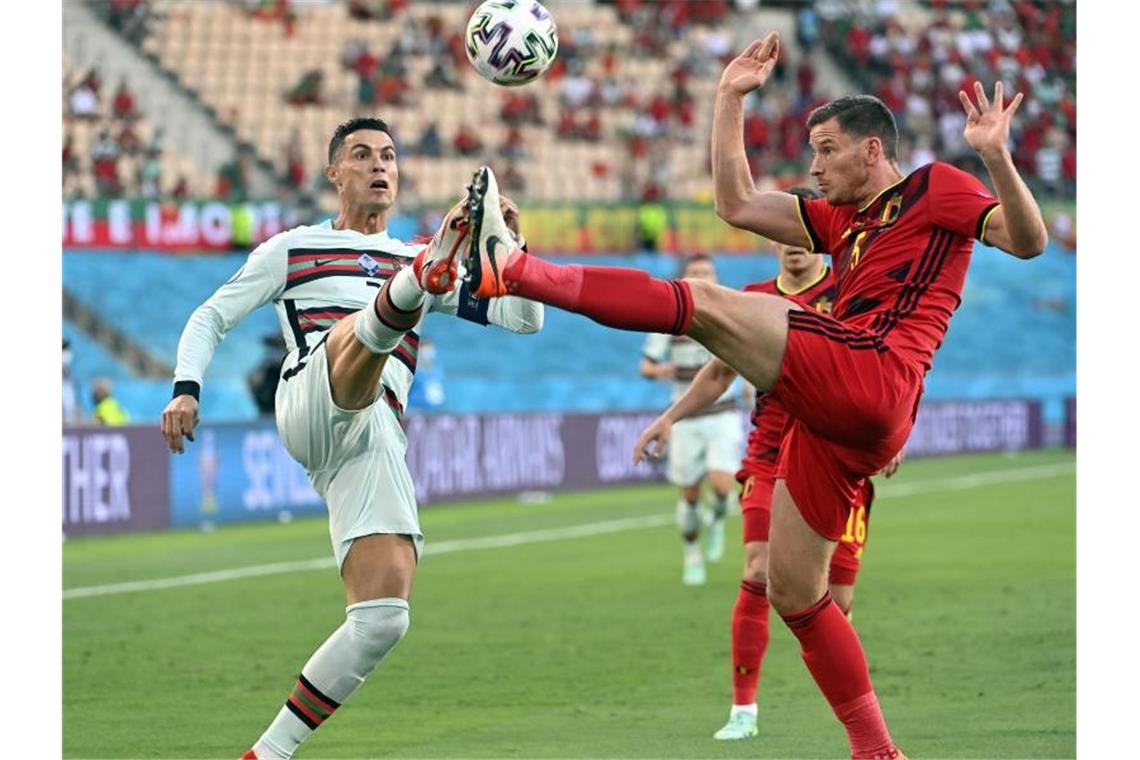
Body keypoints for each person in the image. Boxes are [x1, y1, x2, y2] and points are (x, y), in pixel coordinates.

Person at [426, 33, 1047, 759]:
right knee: (793, 593)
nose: (814, 166)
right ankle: (878, 751)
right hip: (843, 418)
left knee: (704, 302)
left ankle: (516, 273)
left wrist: (997, 157)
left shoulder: (936, 186)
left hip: (876, 372)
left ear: (872, 151)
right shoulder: (841, 223)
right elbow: (737, 201)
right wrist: (727, 99)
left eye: (826, 149)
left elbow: (1028, 241)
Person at [160, 116, 543, 760]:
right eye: (362, 155)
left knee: (383, 620)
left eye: (389, 156)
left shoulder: (408, 252)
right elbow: (211, 315)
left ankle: (268, 752)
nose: (378, 166)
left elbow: (525, 318)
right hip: (312, 395)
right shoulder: (293, 248)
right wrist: (185, 387)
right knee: (358, 330)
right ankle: (412, 290)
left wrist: (507, 237)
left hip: (372, 440)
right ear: (334, 173)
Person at [634, 189, 897, 740]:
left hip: (835, 453)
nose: (792, 247)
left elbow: (887, 363)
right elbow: (718, 373)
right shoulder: (753, 299)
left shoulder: (848, 292)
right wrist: (670, 418)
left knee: (833, 601)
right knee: (757, 569)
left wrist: (891, 434)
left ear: (820, 242)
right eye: (782, 238)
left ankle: (858, 722)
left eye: (801, 238)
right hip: (770, 452)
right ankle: (743, 710)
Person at [640, 254, 741, 585]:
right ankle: (692, 553)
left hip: (722, 413)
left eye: (707, 273)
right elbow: (647, 366)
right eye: (695, 273)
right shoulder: (669, 320)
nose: (701, 278)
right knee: (690, 495)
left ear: (715, 278)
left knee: (724, 486)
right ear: (683, 278)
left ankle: (716, 519)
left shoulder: (729, 314)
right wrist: (662, 370)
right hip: (685, 418)